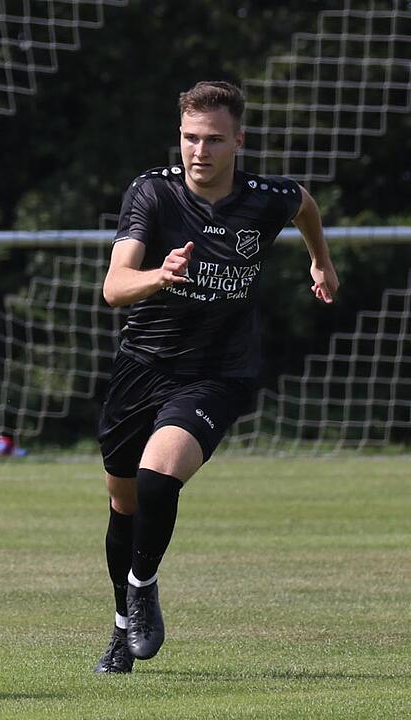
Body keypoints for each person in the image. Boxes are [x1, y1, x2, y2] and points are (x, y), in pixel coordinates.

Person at [92, 81, 339, 674]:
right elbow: (113, 287)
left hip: (217, 374)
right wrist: (159, 275)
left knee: (158, 480)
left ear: (238, 142)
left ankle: (143, 584)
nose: (199, 151)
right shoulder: (152, 193)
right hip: (141, 368)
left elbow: (304, 203)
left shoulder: (265, 197)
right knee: (123, 504)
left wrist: (320, 260)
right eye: (189, 138)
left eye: (213, 140)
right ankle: (122, 626)